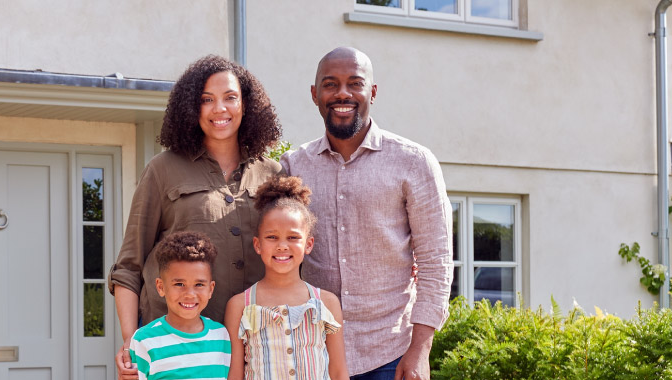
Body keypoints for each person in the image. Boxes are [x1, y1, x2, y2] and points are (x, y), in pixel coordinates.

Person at [280, 47, 453, 380]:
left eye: (355, 83)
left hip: (391, 354)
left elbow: (436, 262)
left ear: (372, 91)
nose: (342, 93)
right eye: (330, 84)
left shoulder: (414, 163)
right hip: (313, 353)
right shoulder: (293, 166)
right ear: (315, 95)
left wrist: (420, 350)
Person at [109, 54, 283, 379]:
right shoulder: (163, 170)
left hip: (258, 347)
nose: (220, 109)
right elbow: (129, 268)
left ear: (246, 105)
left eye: (230, 98)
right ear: (192, 107)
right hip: (177, 355)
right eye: (207, 100)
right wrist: (131, 343)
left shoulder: (273, 173)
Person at [225, 176, 347, 380]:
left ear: (308, 244)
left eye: (293, 237)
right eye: (272, 237)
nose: (282, 246)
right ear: (257, 244)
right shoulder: (239, 305)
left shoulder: (327, 303)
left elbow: (338, 371)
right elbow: (235, 373)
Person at [127, 231, 231, 380]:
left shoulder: (221, 336)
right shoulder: (144, 339)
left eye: (199, 284)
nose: (189, 294)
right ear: (161, 287)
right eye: (179, 284)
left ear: (211, 289)